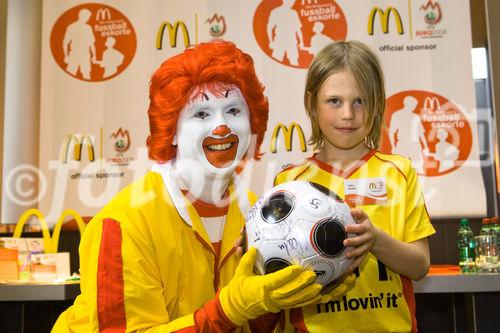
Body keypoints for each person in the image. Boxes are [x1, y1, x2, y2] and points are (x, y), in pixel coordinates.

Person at [52, 40, 324, 332]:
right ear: (172, 132)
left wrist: (306, 290)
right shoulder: (124, 224)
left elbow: (255, 321)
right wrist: (227, 310)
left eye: (233, 111)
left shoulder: (259, 213)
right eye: (201, 114)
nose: (222, 126)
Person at [273, 40, 436, 332]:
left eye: (359, 101)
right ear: (312, 103)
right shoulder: (289, 182)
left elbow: (420, 265)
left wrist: (375, 240)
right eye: (334, 101)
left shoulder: (399, 171)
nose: (348, 114)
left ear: (376, 105)